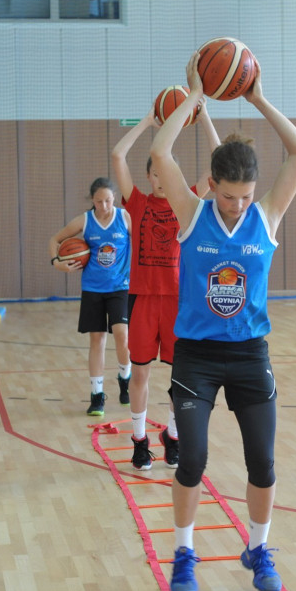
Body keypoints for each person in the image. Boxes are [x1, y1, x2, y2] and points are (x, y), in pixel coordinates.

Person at [150, 52, 296, 591]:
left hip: (249, 354)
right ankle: (185, 553)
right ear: (211, 184)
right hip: (195, 354)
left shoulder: (265, 216)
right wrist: (195, 97)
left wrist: (258, 97)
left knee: (262, 463)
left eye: (245, 196)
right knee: (192, 458)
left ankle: (258, 547)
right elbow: (160, 151)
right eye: (229, 195)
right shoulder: (192, 214)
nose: (238, 205)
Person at [111, 103, 220, 470]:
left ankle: (172, 436)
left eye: (164, 173)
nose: (159, 178)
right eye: (154, 173)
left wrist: (203, 117)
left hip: (179, 302)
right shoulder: (137, 202)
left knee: (180, 380)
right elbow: (117, 154)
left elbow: (218, 167)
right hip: (143, 301)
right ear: (148, 177)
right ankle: (139, 441)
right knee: (140, 374)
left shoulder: (185, 199)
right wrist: (147, 120)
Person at [50, 178, 132, 417]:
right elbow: (54, 240)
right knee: (97, 340)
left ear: (114, 198)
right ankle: (97, 395)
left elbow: (141, 244)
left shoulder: (125, 218)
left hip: (120, 286)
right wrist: (58, 263)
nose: (104, 205)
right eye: (99, 201)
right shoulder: (85, 221)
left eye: (108, 200)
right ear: (92, 200)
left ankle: (125, 377)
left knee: (122, 334)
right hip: (93, 288)